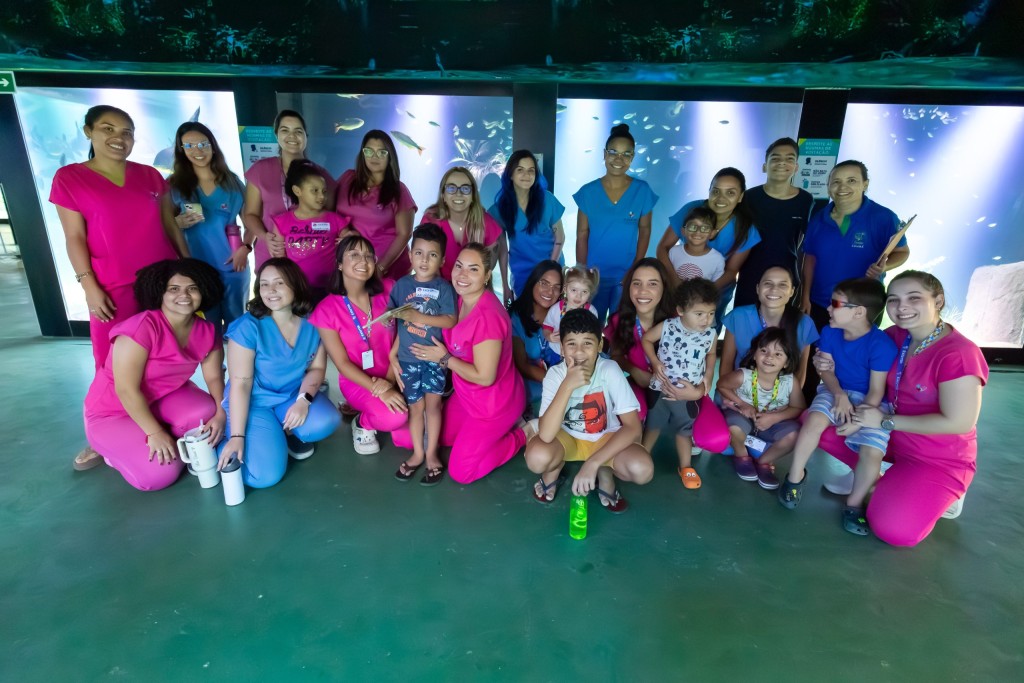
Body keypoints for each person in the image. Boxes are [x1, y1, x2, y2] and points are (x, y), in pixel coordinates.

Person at [830, 272, 987, 546]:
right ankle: (871, 477)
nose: (901, 307)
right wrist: (828, 364)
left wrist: (884, 421)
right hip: (892, 439)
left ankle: (939, 494)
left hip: (936, 457)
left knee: (894, 531)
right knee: (818, 423)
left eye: (914, 298)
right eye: (893, 300)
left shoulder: (959, 353)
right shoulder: (894, 336)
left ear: (938, 301)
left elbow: (960, 422)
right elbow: (859, 363)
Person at [51, 105, 186, 371]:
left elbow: (169, 225)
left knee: (164, 354)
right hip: (112, 284)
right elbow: (74, 236)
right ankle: (116, 401)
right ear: (88, 131)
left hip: (164, 279)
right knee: (112, 360)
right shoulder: (70, 178)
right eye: (108, 129)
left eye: (127, 132)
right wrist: (89, 287)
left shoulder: (150, 175)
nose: (119, 138)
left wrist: (188, 266)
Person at [80, 259, 226, 490]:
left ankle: (156, 435)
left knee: (206, 411)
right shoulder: (141, 327)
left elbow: (214, 377)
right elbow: (126, 389)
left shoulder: (207, 330)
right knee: (160, 475)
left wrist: (221, 412)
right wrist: (155, 432)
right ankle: (113, 453)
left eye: (193, 288)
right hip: (113, 411)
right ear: (160, 293)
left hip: (163, 397)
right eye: (174, 289)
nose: (184, 295)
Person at [778, 278, 898, 535]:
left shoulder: (881, 345)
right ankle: (795, 477)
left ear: (859, 312)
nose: (828, 308)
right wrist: (839, 394)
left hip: (871, 402)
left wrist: (858, 420)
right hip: (835, 390)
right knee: (814, 420)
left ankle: (854, 504)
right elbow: (826, 371)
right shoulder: (830, 332)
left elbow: (876, 391)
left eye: (835, 304)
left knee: (871, 452)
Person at [400, 244, 528, 484]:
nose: (462, 274)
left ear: (487, 276)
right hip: (466, 395)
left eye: (473, 269)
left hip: (493, 404)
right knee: (434, 438)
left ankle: (523, 433)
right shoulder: (457, 300)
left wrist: (444, 359)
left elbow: (485, 377)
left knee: (461, 472)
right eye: (459, 266)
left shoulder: (488, 317)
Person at [217, 259, 340, 489]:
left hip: (290, 396)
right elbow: (241, 385)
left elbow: (316, 369)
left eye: (279, 283)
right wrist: (237, 437)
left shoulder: (313, 322)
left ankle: (281, 434)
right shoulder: (248, 327)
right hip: (253, 403)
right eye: (264, 284)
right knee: (264, 477)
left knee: (325, 421)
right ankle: (222, 444)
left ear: (296, 285)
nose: (270, 290)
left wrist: (304, 401)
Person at [525, 308, 654, 510]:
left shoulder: (609, 370)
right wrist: (567, 385)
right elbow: (547, 435)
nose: (579, 352)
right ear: (561, 348)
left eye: (587, 343)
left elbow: (633, 428)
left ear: (599, 345)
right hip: (566, 438)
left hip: (604, 438)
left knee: (642, 469)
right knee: (537, 458)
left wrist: (593, 463)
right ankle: (555, 467)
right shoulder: (555, 375)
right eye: (571, 344)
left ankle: (603, 469)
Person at [309, 235, 407, 455]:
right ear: (339, 264)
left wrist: (389, 382)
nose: (363, 261)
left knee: (408, 437)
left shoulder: (390, 289)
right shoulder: (326, 310)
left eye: (368, 256)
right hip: (357, 381)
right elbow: (342, 364)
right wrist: (378, 389)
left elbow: (404, 336)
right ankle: (363, 423)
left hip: (396, 371)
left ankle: (371, 410)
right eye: (354, 255)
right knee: (395, 417)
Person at [387, 224, 457, 485]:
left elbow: (450, 320)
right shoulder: (401, 286)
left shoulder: (444, 288)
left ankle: (431, 455)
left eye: (432, 255)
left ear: (442, 260)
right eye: (419, 253)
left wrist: (418, 317)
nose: (424, 260)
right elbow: (393, 317)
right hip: (407, 359)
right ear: (410, 254)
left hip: (433, 360)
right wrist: (387, 323)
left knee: (434, 407)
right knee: (415, 408)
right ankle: (417, 453)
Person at [168, 121, 250, 336]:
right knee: (205, 328)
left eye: (203, 144)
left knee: (237, 326)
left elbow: (251, 222)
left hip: (233, 266)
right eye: (189, 145)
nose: (198, 150)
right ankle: (214, 361)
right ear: (181, 150)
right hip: (196, 268)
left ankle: (238, 360)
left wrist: (246, 248)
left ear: (213, 146)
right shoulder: (174, 185)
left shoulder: (232, 183)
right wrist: (177, 223)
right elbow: (164, 227)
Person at [574, 124, 658, 323]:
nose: (619, 159)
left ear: (632, 157)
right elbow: (582, 234)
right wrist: (583, 272)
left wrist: (635, 268)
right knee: (590, 324)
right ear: (604, 154)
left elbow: (645, 230)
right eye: (613, 152)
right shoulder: (588, 192)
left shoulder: (642, 190)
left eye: (626, 154)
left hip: (626, 275)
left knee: (621, 327)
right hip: (594, 275)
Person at [656, 167, 761, 326]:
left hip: (715, 292)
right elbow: (663, 247)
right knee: (671, 328)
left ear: (740, 197)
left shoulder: (745, 228)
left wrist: (702, 294)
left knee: (705, 331)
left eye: (730, 193)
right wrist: (677, 283)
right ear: (709, 190)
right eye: (716, 191)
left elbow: (732, 271)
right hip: (677, 286)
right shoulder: (691, 210)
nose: (721, 198)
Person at [640, 278, 718, 490]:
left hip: (688, 394)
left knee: (685, 431)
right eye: (699, 314)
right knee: (653, 425)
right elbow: (646, 339)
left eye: (711, 313)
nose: (706, 320)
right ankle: (642, 454)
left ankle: (685, 466)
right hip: (660, 389)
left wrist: (709, 373)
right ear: (681, 310)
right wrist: (654, 362)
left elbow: (711, 354)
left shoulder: (710, 335)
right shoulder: (668, 326)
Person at [242, 110, 337, 269]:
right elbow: (250, 214)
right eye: (285, 130)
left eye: (298, 131)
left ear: (306, 136)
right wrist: (265, 236)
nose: (292, 136)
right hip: (271, 253)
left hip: (311, 259)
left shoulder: (322, 176)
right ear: (276, 135)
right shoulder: (260, 170)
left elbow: (329, 218)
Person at [716, 328, 806, 489]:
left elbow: (799, 407)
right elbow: (721, 385)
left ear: (786, 362)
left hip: (771, 424)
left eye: (778, 354)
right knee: (734, 427)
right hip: (743, 418)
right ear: (754, 355)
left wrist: (775, 418)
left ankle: (763, 462)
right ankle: (741, 456)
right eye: (764, 351)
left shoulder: (790, 381)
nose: (769, 357)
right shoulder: (743, 375)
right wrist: (742, 404)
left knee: (795, 435)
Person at [736, 137, 814, 308]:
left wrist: (804, 292)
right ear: (764, 166)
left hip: (786, 277)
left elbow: (805, 248)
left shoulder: (805, 200)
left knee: (781, 324)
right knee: (743, 321)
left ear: (796, 167)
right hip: (750, 275)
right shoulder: (748, 197)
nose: (782, 163)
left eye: (789, 159)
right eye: (775, 158)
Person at [336, 130, 418, 279]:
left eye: (381, 152)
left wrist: (380, 268)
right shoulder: (347, 178)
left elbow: (405, 234)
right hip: (352, 264)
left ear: (390, 156)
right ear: (362, 154)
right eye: (369, 151)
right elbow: (327, 208)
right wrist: (345, 231)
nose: (374, 157)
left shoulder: (398, 190)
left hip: (387, 267)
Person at [720, 266, 819, 389]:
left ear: (792, 291)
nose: (774, 289)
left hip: (781, 395)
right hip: (737, 390)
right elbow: (726, 364)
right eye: (768, 283)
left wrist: (787, 398)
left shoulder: (804, 323)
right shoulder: (738, 316)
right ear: (758, 288)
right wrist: (730, 395)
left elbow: (800, 371)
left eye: (782, 285)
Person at [604, 258, 677, 422]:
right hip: (638, 383)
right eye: (637, 283)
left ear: (664, 288)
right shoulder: (619, 320)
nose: (643, 291)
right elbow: (616, 356)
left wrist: (696, 391)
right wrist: (635, 371)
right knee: (632, 415)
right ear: (629, 288)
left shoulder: (678, 322)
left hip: (673, 387)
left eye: (652, 284)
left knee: (714, 434)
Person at [488, 150, 566, 298]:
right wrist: (505, 285)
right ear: (510, 174)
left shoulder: (548, 200)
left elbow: (560, 237)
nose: (527, 175)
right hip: (522, 273)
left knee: (553, 310)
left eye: (531, 170)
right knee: (525, 311)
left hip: (552, 267)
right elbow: (502, 250)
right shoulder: (500, 209)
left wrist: (550, 268)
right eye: (520, 170)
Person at [421, 167, 508, 297]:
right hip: (438, 288)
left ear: (473, 195)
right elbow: (426, 262)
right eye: (451, 188)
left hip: (472, 289)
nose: (458, 194)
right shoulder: (431, 220)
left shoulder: (486, 222)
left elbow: (487, 268)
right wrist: (443, 296)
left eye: (465, 188)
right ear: (443, 195)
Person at [272, 159, 351, 300]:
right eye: (315, 191)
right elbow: (279, 261)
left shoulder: (335, 220)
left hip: (330, 289)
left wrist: (350, 237)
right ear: (297, 190)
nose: (321, 196)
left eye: (324, 191)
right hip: (296, 288)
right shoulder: (282, 222)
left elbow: (352, 241)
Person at [508, 260, 563, 411]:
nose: (550, 292)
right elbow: (522, 365)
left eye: (556, 287)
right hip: (533, 389)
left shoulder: (563, 315)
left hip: (562, 383)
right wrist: (559, 383)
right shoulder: (516, 318)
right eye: (544, 283)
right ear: (533, 282)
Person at [541, 266, 599, 366]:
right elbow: (547, 327)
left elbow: (594, 334)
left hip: (581, 355)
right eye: (574, 290)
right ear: (565, 289)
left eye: (584, 292)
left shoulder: (591, 312)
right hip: (557, 354)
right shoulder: (556, 309)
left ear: (590, 293)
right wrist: (549, 337)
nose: (578, 296)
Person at [667, 206, 725, 283]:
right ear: (683, 231)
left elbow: (714, 287)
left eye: (705, 228)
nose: (698, 231)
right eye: (692, 227)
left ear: (712, 233)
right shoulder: (673, 252)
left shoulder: (717, 259)